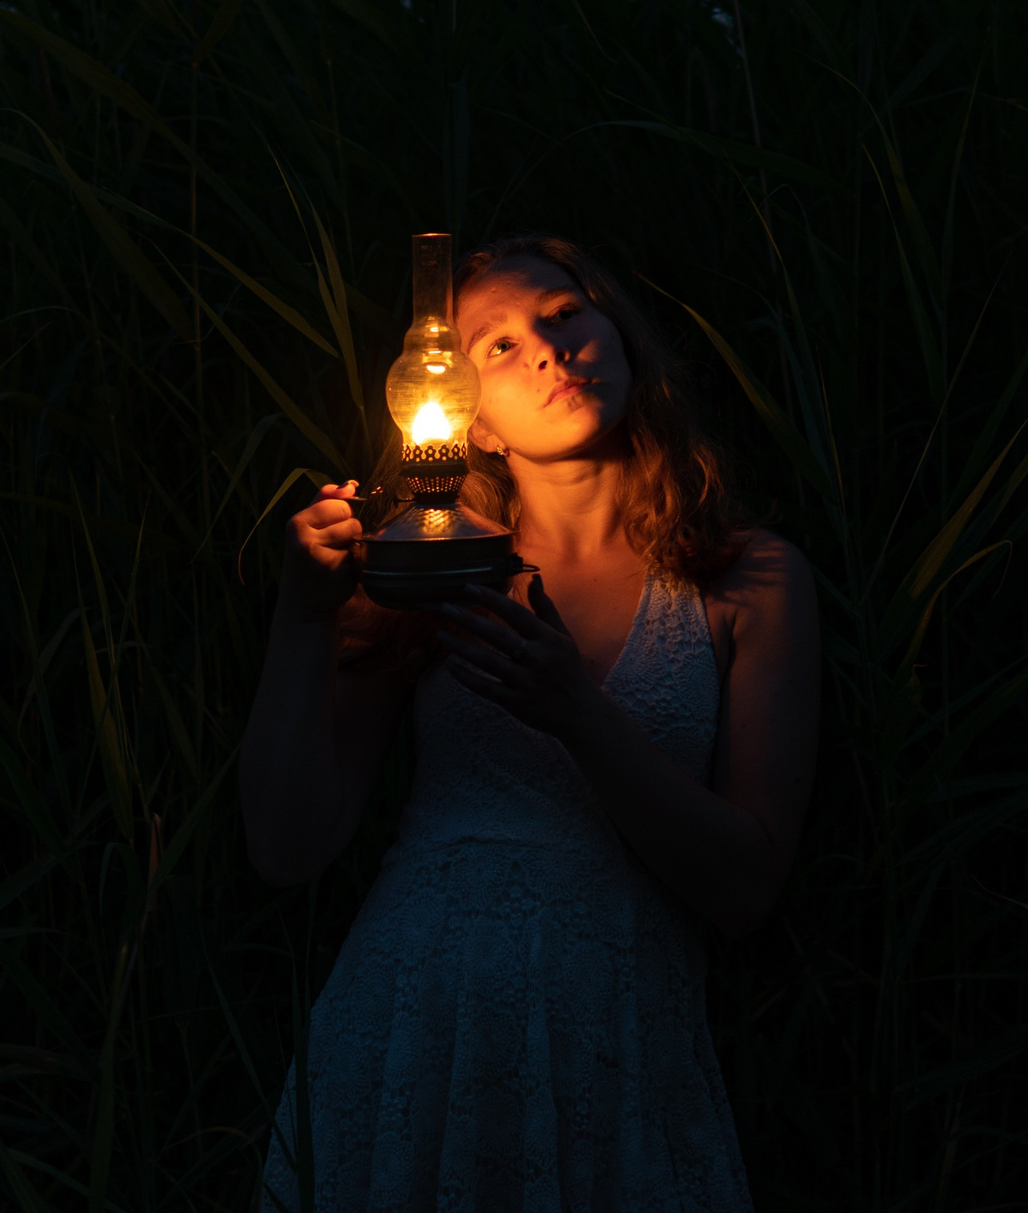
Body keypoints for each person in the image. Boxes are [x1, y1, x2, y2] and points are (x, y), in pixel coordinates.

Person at [240, 234, 819, 1210]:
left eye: (564, 315)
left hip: (616, 1044)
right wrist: (302, 617)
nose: (547, 350)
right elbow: (287, 842)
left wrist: (574, 713)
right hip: (409, 1034)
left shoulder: (748, 579)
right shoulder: (431, 573)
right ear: (472, 423)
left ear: (621, 336)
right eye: (496, 347)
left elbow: (746, 884)